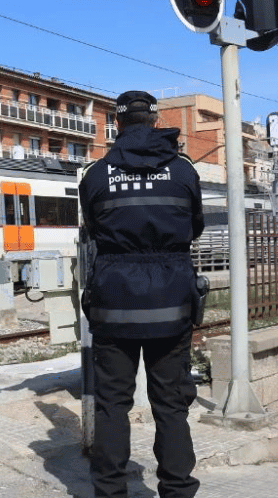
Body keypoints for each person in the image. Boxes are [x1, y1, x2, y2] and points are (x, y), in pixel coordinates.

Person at [79, 90, 204, 498]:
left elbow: (94, 232)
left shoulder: (97, 174)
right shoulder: (183, 170)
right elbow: (196, 226)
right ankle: (178, 490)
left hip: (114, 302)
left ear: (116, 123)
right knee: (171, 404)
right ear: (155, 119)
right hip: (171, 303)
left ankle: (111, 492)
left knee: (112, 404)